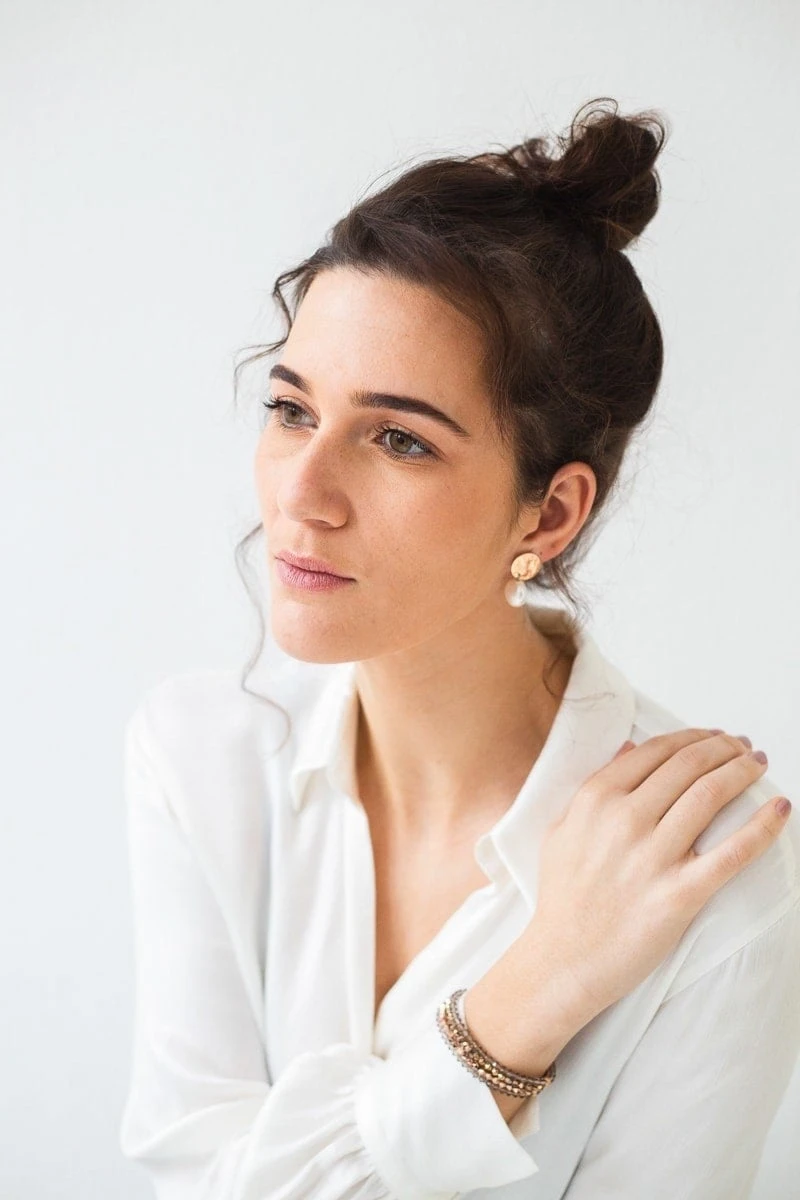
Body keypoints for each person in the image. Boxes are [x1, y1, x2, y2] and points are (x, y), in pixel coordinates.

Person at [119, 98, 800, 1199]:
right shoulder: (202, 753)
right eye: (292, 411)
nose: (302, 494)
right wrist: (525, 1001)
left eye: (397, 439)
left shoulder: (705, 863)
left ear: (549, 514)